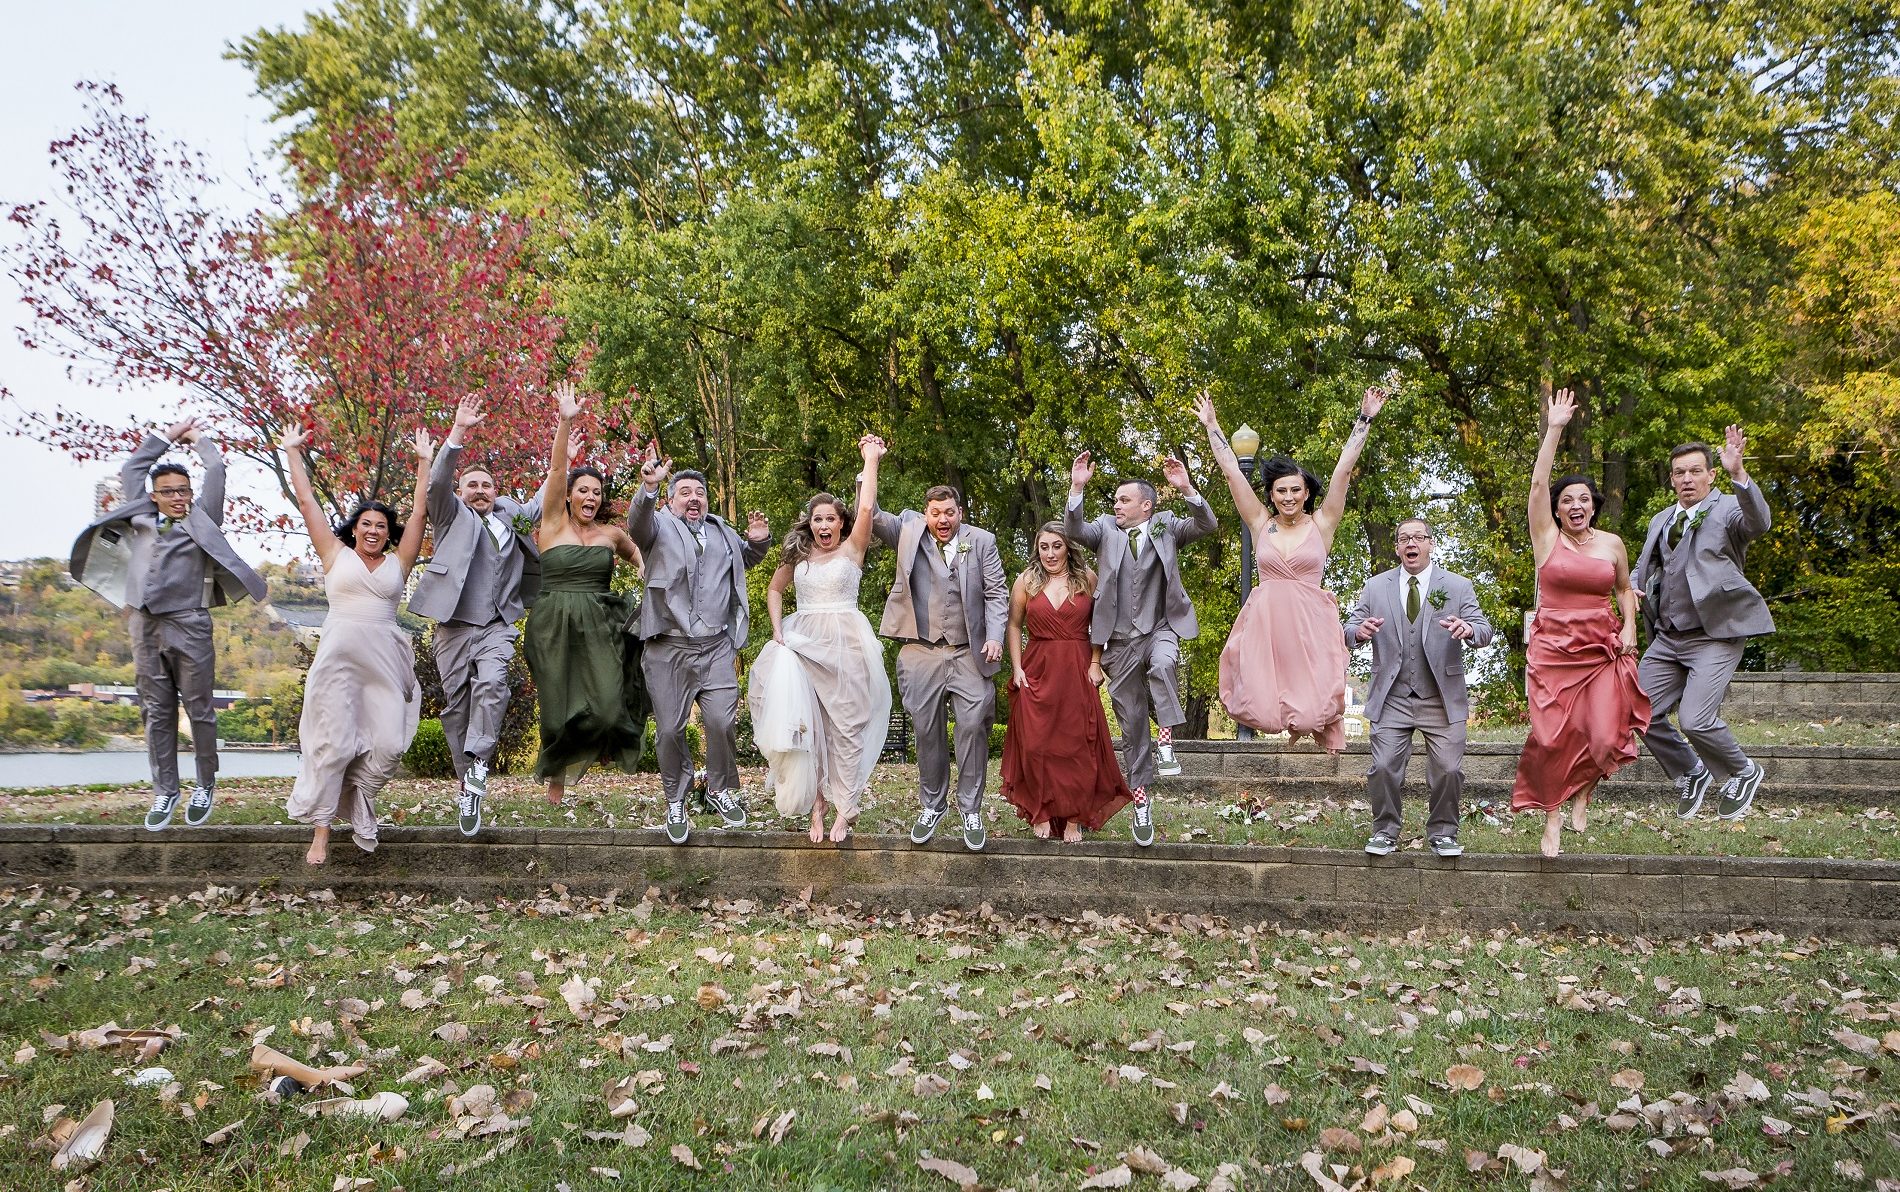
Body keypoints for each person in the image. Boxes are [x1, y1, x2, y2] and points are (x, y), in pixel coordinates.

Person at [70, 418, 268, 832]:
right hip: (143, 625)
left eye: (184, 490)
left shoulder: (203, 519)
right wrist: (168, 436)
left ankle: (205, 784)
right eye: (170, 492)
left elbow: (216, 472)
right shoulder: (139, 513)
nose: (178, 497)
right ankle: (166, 790)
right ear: (155, 496)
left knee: (200, 710)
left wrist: (199, 441)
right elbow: (133, 468)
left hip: (189, 623)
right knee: (155, 711)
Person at [1196, 386, 1385, 755]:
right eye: (1280, 491)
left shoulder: (1322, 524)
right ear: (1270, 495)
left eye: (1295, 490)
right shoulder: (1260, 523)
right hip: (1266, 625)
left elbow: (1343, 470)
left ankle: (1316, 727)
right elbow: (1233, 472)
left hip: (1310, 623)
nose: (1287, 497)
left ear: (1306, 493)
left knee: (1315, 711)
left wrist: (1364, 419)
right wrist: (1212, 426)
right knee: (1261, 709)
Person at [279, 423, 431, 865]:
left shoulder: (399, 562)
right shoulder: (334, 555)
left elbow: (420, 514)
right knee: (334, 745)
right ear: (354, 528)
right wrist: (293, 452)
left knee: (389, 745)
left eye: (381, 526)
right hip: (338, 663)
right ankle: (322, 832)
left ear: (389, 533)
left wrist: (424, 463)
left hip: (383, 662)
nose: (373, 530)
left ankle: (357, 798)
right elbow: (307, 502)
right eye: (366, 523)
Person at [1511, 388, 1652, 858]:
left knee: (1604, 731)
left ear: (1593, 505)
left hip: (1600, 645)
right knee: (1553, 735)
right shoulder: (1545, 537)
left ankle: (1584, 792)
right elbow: (1536, 486)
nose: (1576, 504)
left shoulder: (1612, 544)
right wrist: (1554, 429)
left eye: (1584, 498)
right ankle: (1551, 815)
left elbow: (1622, 589)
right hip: (1553, 647)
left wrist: (1630, 626)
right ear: (1556, 509)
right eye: (1567, 499)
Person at [1064, 449, 1217, 846]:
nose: (1115, 504)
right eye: (1114, 499)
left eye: (1123, 499)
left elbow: (1207, 524)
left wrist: (1186, 489)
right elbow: (1075, 531)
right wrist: (1077, 488)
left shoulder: (1166, 526)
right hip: (1117, 644)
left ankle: (1166, 742)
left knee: (1164, 664)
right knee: (1132, 727)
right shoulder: (1104, 529)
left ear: (1145, 506)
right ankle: (1142, 804)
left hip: (1160, 628)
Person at [408, 393, 544, 836]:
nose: (481, 491)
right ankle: (468, 784)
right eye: (473, 486)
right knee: (456, 708)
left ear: (496, 490)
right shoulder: (449, 515)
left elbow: (545, 498)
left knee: (493, 683)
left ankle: (480, 762)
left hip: (498, 624)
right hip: (452, 627)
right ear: (462, 493)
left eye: (487, 485)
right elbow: (436, 482)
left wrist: (565, 451)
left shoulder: (511, 517)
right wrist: (458, 432)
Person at [749, 435, 892, 844]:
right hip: (803, 643)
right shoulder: (796, 555)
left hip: (846, 643)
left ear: (841, 523)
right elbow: (774, 590)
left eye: (830, 518)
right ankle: (816, 805)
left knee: (845, 728)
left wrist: (870, 459)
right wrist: (778, 630)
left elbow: (866, 505)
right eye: (817, 519)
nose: (824, 525)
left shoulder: (854, 549)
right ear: (809, 524)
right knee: (808, 728)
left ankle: (845, 808)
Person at [629, 442, 774, 844]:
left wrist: (759, 541)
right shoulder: (657, 527)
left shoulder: (722, 531)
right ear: (672, 499)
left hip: (716, 647)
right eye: (685, 493)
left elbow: (745, 560)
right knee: (672, 730)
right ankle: (676, 798)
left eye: (700, 493)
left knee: (722, 721)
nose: (694, 499)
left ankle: (720, 788)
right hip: (667, 647)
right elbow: (637, 524)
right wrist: (649, 489)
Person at [1633, 427, 1774, 820]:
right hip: (1666, 639)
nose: (1687, 479)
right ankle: (1691, 772)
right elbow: (1646, 568)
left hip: (1715, 635)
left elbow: (1758, 523)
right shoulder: (1661, 519)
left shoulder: (1728, 508)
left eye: (1695, 471)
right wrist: (1630, 588)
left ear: (1711, 474)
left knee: (1695, 719)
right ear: (1672, 478)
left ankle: (1742, 771)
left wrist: (1739, 474)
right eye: (1679, 472)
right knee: (1635, 710)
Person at [523, 383, 649, 803]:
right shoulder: (553, 524)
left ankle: (605, 746)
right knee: (558, 705)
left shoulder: (612, 535)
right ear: (570, 496)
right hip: (552, 623)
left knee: (610, 701)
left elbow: (642, 559)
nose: (590, 496)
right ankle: (556, 776)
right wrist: (565, 421)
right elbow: (557, 473)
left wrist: (657, 588)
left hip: (600, 623)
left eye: (597, 491)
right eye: (584, 490)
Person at [1343, 517, 1494, 857]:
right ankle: (1385, 830)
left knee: (1450, 769)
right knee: (1383, 768)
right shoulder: (1375, 587)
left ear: (1431, 543)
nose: (1411, 543)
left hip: (1441, 696)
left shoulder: (1457, 586)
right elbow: (1348, 628)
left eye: (1418, 537)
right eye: (1403, 538)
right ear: (1397, 547)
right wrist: (1358, 631)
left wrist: (1468, 629)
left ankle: (1443, 832)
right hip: (1392, 695)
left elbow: (1484, 630)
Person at [871, 484, 1009, 851]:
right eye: (935, 513)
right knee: (926, 731)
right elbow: (870, 514)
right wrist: (868, 466)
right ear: (926, 513)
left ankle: (971, 809)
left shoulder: (982, 541)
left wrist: (995, 636)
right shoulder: (908, 531)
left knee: (973, 725)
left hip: (968, 652)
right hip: (921, 650)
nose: (942, 519)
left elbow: (997, 593)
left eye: (949, 512)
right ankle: (932, 806)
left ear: (959, 512)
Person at [1000, 523, 1133, 842]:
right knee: (1036, 743)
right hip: (1037, 667)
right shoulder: (1026, 581)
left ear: (1068, 547)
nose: (1049, 553)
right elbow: (1014, 625)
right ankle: (1041, 811)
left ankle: (1074, 818)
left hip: (1077, 667)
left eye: (1056, 546)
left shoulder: (1087, 579)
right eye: (1043, 547)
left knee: (1077, 744)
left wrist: (1095, 663)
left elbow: (1101, 623)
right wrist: (1017, 668)